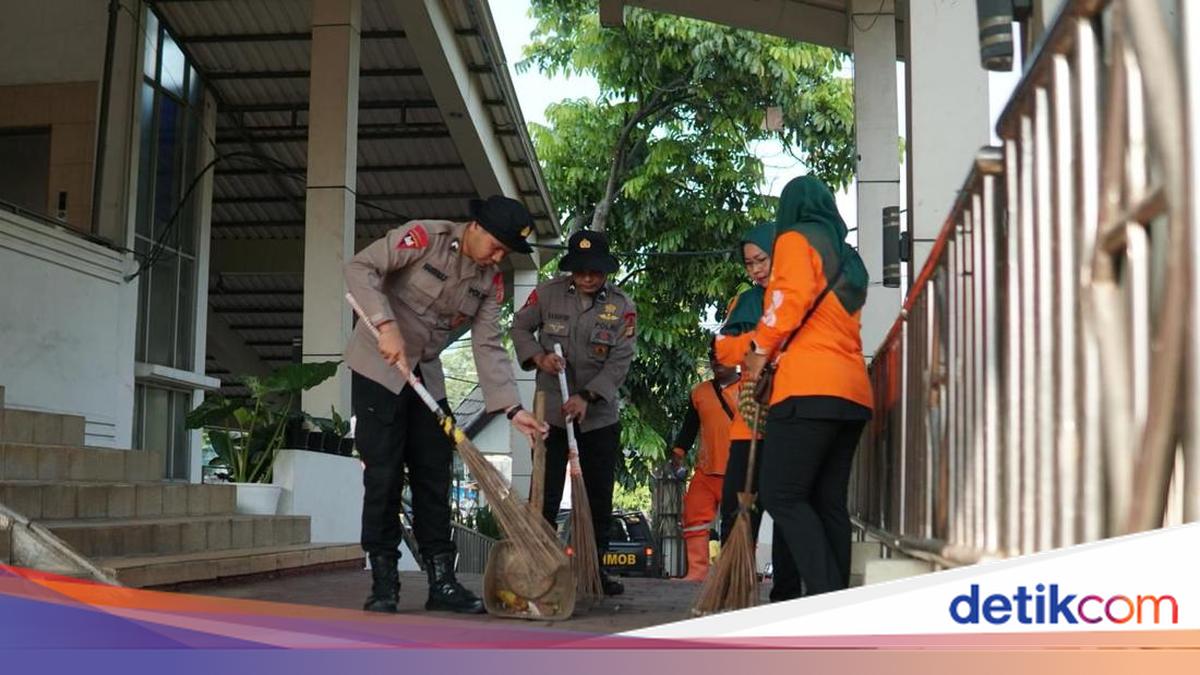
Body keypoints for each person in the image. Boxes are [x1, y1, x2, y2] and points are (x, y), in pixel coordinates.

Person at [344, 195, 548, 614]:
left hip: (425, 374)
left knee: (434, 473)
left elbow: (488, 344)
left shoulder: (489, 281)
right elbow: (360, 268)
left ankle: (442, 582)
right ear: (476, 227)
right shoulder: (425, 238)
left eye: (506, 252)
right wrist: (385, 324)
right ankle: (384, 583)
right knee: (383, 475)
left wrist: (512, 409)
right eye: (496, 246)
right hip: (379, 367)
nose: (498, 257)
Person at [742, 176, 873, 598]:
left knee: (781, 495)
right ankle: (835, 601)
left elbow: (789, 300)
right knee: (826, 501)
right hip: (852, 391)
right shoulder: (847, 256)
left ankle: (824, 594)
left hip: (807, 388)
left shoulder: (796, 239)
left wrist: (759, 349)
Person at [511, 230, 637, 596]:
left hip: (598, 418)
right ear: (571, 270)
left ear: (605, 271)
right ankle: (539, 566)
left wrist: (587, 396)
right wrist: (539, 357)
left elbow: (620, 360)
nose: (587, 278)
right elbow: (519, 327)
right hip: (550, 414)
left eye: (595, 272)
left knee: (597, 497)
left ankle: (593, 569)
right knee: (544, 494)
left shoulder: (622, 306)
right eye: (581, 271)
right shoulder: (547, 294)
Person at [713, 221, 801, 601]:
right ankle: (733, 587)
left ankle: (785, 594)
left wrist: (763, 350)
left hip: (790, 419)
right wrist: (761, 346)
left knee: (786, 510)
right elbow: (724, 352)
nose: (756, 269)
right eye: (749, 263)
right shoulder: (745, 302)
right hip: (748, 422)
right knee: (737, 509)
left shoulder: (799, 295)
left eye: (762, 260)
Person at [669, 346, 739, 581]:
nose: (716, 361)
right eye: (712, 357)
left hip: (737, 472)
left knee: (738, 524)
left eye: (723, 356)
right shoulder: (699, 392)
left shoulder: (751, 389)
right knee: (693, 517)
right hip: (706, 471)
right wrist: (678, 452)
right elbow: (689, 427)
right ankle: (697, 572)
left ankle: (734, 575)